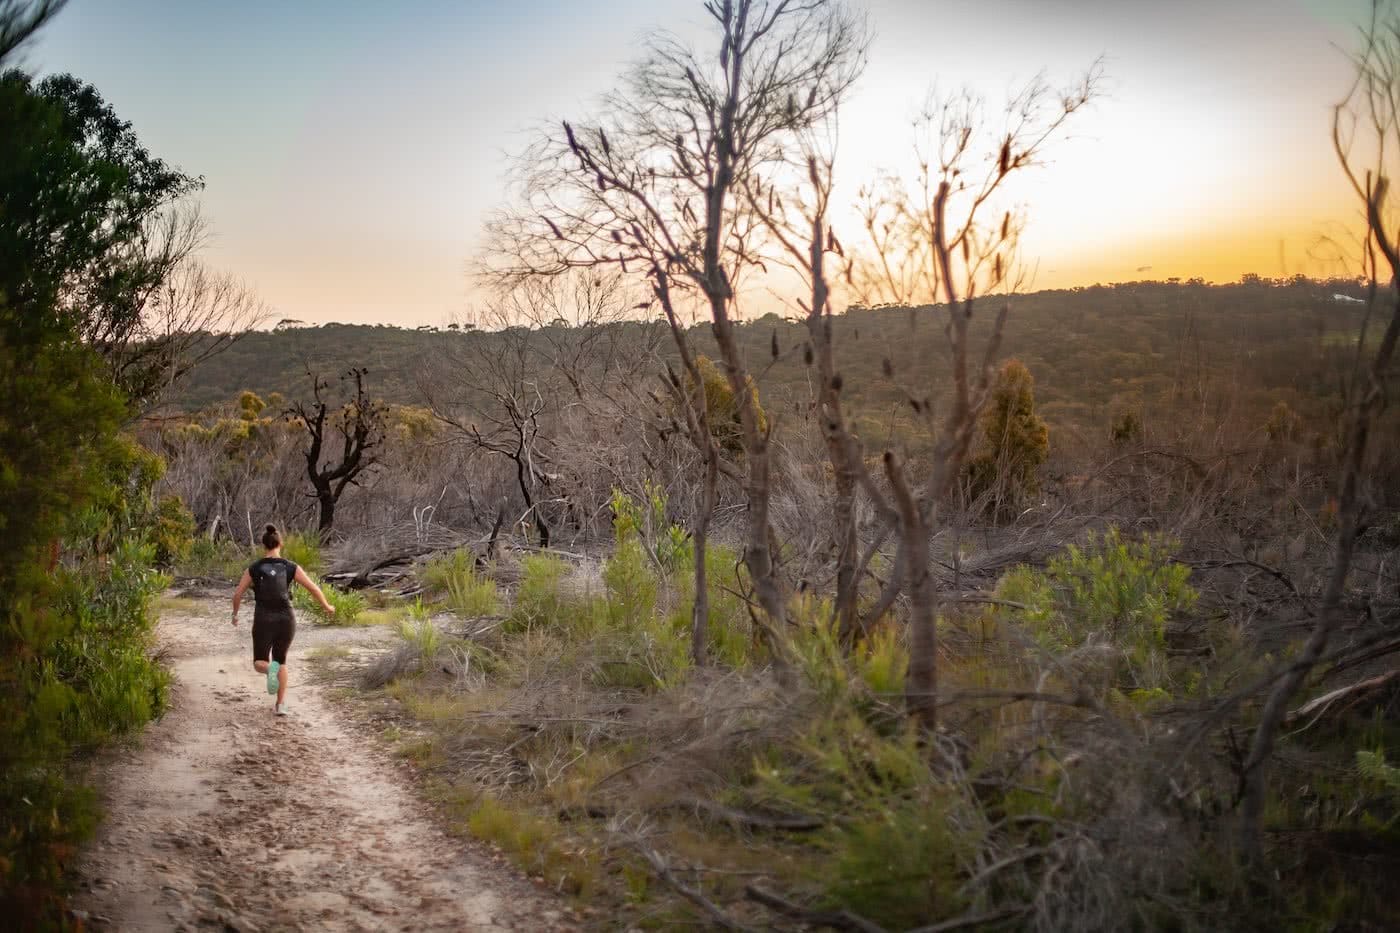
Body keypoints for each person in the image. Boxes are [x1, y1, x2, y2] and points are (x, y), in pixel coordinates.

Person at [230, 524, 335, 715]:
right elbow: (313, 588)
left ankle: (271, 670)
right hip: (287, 619)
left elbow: (237, 594)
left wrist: (235, 615)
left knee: (260, 662)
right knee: (281, 662)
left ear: (264, 546)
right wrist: (327, 606)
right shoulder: (290, 567)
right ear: (281, 543)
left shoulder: (254, 568)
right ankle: (280, 705)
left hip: (263, 619)